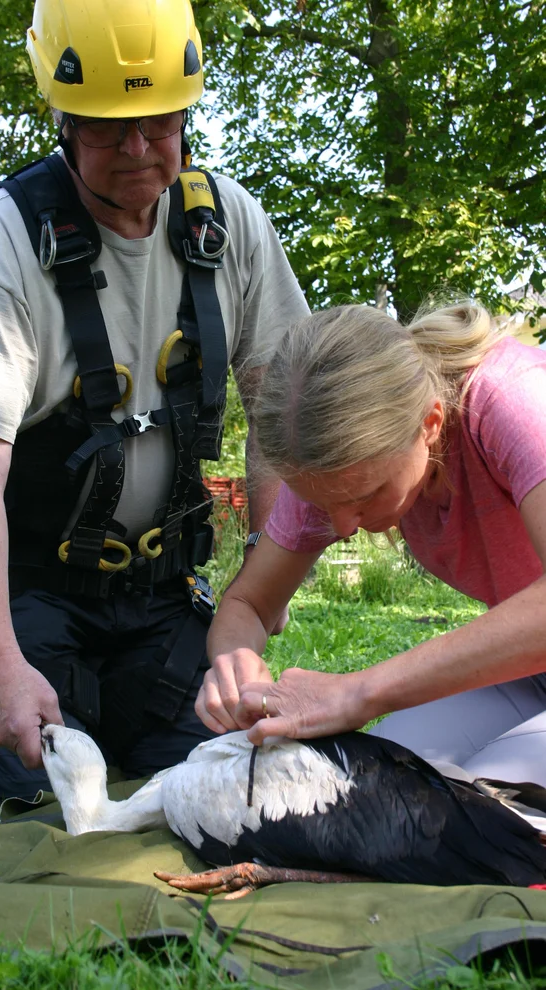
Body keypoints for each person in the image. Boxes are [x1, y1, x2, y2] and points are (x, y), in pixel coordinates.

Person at [0, 0, 309, 802]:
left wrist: (261, 597)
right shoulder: (5, 241)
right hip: (28, 592)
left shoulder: (231, 229)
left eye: (159, 123)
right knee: (11, 783)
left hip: (160, 596)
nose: (136, 148)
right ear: (61, 115)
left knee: (240, 770)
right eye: (104, 126)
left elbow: (283, 417)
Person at [198, 302, 546, 788]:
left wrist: (359, 692)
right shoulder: (330, 473)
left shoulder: (515, 400)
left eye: (365, 497)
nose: (342, 527)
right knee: (375, 790)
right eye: (326, 506)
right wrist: (233, 660)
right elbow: (249, 603)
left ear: (430, 423)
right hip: (533, 671)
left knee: (490, 813)